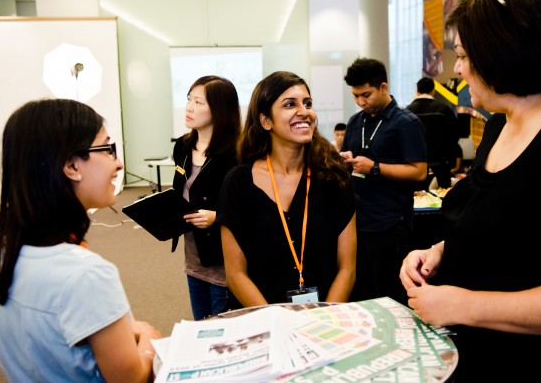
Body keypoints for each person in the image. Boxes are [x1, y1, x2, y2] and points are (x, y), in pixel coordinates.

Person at [399, 0, 541, 381]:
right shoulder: (500, 122)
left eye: (462, 56)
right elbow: (506, 226)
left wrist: (462, 305)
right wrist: (442, 251)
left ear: (499, 56)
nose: (457, 70)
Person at [0, 98, 161, 382]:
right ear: (71, 165)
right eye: (107, 149)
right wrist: (150, 343)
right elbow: (130, 378)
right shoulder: (86, 275)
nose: (118, 163)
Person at [218, 71, 356, 308]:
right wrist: (276, 323)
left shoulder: (333, 176)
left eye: (308, 103)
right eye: (290, 104)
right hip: (263, 320)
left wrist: (327, 321)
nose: (304, 111)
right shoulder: (238, 183)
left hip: (327, 322)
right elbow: (236, 275)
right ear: (266, 121)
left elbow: (347, 269)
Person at [340, 57, 427, 305]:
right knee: (361, 291)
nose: (360, 102)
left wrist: (375, 168)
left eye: (366, 95)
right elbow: (349, 162)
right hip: (357, 220)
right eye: (355, 96)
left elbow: (419, 171)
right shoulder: (356, 121)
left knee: (389, 293)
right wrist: (344, 160)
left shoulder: (406, 123)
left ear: (383, 87)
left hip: (390, 222)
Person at [171, 75, 242, 320]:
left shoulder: (237, 153)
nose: (189, 107)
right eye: (188, 99)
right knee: (200, 326)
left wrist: (217, 217)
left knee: (224, 328)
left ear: (219, 109)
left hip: (224, 258)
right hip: (194, 255)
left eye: (199, 102)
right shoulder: (182, 145)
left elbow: (250, 207)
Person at [406, 76, 461, 189]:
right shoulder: (443, 109)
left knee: (417, 196)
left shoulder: (407, 111)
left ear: (417, 90)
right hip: (441, 163)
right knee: (443, 194)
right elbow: (454, 135)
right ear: (433, 91)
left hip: (415, 164)